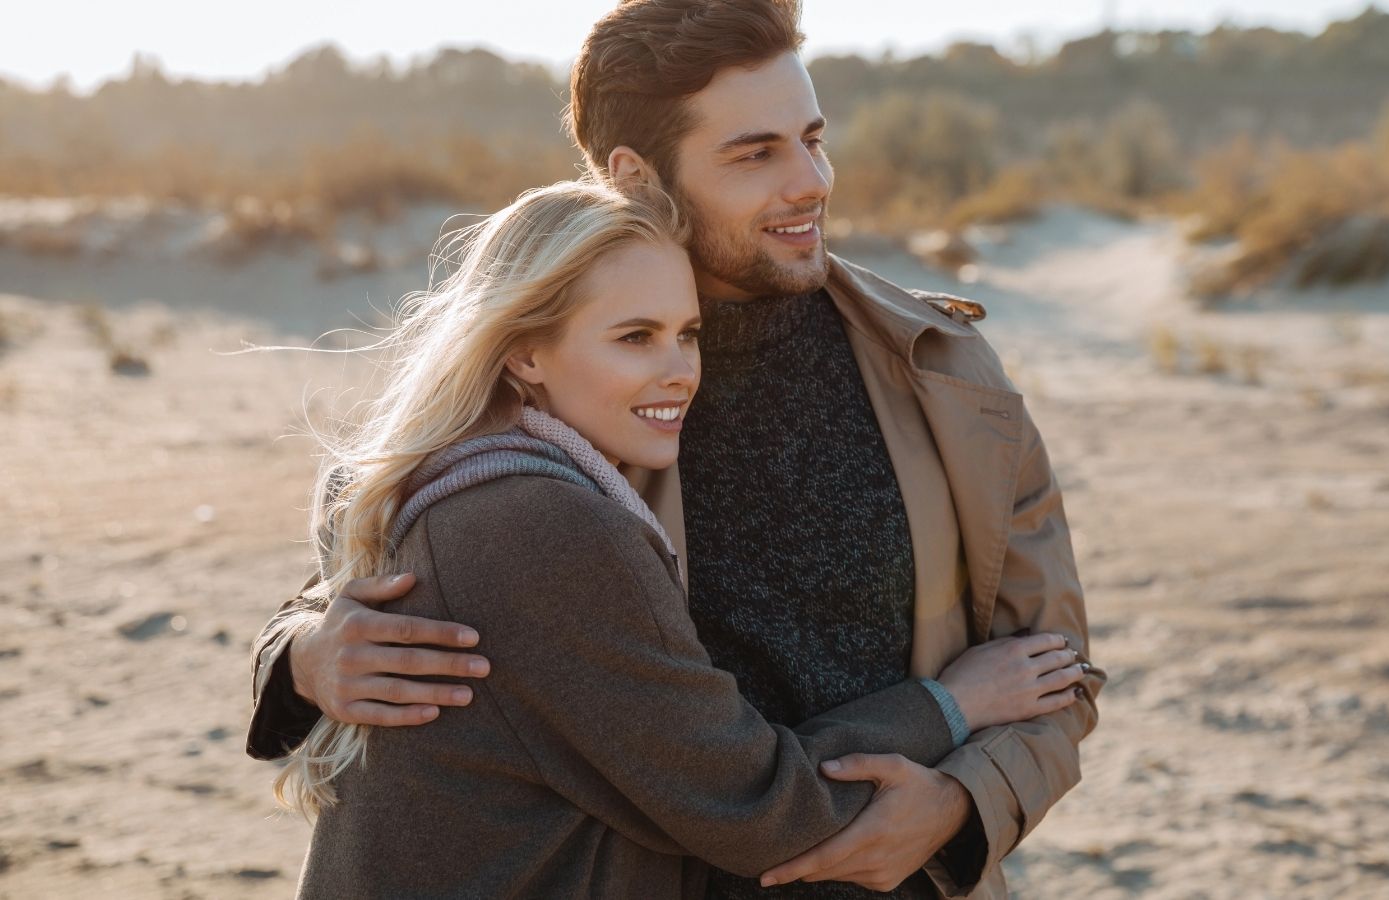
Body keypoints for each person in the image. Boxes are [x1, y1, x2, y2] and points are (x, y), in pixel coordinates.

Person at [251, 2, 1106, 897]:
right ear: (637, 174)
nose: (811, 181)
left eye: (813, 139)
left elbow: (1051, 668)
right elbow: (375, 570)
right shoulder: (544, 392)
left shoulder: (943, 370)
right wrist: (303, 655)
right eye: (755, 153)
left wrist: (961, 807)